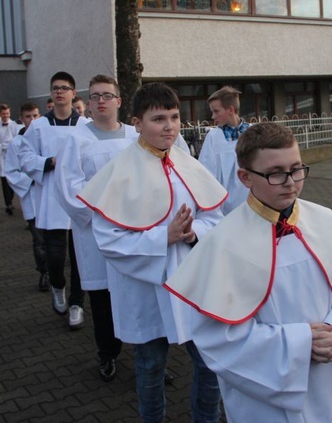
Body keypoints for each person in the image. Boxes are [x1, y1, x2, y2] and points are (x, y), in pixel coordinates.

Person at [165, 122, 332, 422]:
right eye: (275, 173)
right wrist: (300, 343)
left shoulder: (326, 221)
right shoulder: (223, 242)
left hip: (323, 380)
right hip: (261, 397)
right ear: (244, 177)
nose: (291, 182)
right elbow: (217, 339)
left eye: (297, 169)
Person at [78, 82, 227, 422]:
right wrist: (164, 237)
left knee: (208, 359)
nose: (170, 126)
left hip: (190, 279)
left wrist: (192, 233)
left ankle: (206, 419)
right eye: (159, 118)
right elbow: (108, 239)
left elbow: (214, 216)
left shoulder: (185, 162)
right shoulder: (119, 171)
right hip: (145, 286)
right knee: (149, 366)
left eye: (174, 117)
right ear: (136, 123)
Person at [53, 75, 138, 380]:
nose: (101, 101)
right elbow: (66, 187)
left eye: (107, 95)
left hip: (134, 230)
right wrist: (103, 207)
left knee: (137, 294)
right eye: (96, 96)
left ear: (118, 101)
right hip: (96, 232)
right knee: (102, 299)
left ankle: (147, 358)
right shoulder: (77, 139)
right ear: (88, 104)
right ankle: (108, 353)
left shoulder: (134, 137)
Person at [19, 71, 89, 330]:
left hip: (78, 199)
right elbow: (24, 157)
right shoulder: (38, 126)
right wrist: (48, 162)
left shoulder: (84, 126)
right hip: (51, 198)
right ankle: (58, 286)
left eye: (64, 88)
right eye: (55, 88)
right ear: (51, 94)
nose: (59, 92)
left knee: (81, 256)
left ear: (73, 93)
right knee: (56, 256)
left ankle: (77, 303)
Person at [4, 103, 48, 292]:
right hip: (31, 196)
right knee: (39, 240)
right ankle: (44, 272)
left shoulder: (47, 138)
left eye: (36, 116)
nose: (32, 120)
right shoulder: (16, 143)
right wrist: (33, 176)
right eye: (28, 116)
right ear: (21, 119)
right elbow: (11, 172)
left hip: (49, 196)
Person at [198, 86, 250, 214]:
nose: (213, 116)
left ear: (231, 110)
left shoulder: (253, 133)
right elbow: (205, 174)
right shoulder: (214, 137)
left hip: (253, 203)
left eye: (216, 111)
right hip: (225, 209)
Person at [0, 104, 23, 215]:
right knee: (4, 181)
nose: (5, 115)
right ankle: (8, 203)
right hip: (2, 157)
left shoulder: (15, 126)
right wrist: (1, 147)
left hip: (13, 157)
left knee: (13, 180)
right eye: (3, 113)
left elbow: (20, 139)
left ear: (10, 113)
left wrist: (12, 146)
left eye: (7, 113)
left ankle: (11, 199)